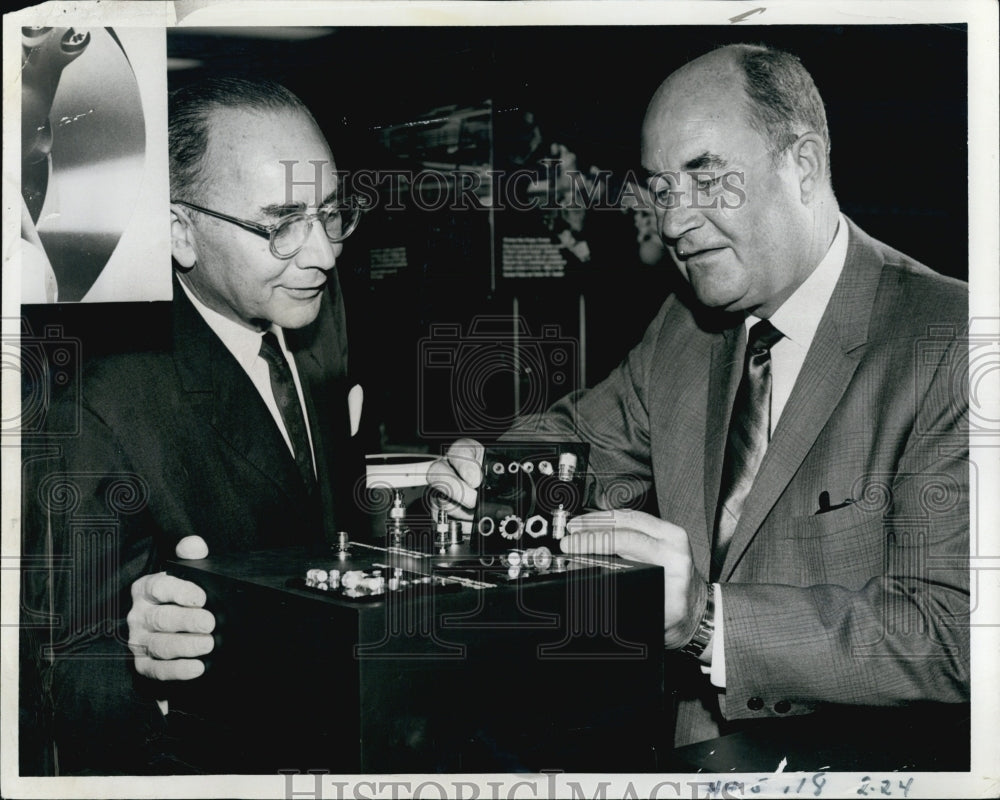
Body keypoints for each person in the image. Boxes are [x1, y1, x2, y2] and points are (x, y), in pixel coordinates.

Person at [430, 43, 970, 756]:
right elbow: (580, 442)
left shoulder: (953, 341)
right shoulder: (685, 327)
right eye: (660, 188)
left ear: (802, 166)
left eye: (705, 177)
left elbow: (953, 634)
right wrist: (491, 476)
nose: (675, 223)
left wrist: (709, 622)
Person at [21, 76, 368, 774]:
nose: (324, 253)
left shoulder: (317, 314)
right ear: (180, 231)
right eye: (280, 224)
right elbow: (78, 672)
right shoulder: (101, 404)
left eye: (333, 213)